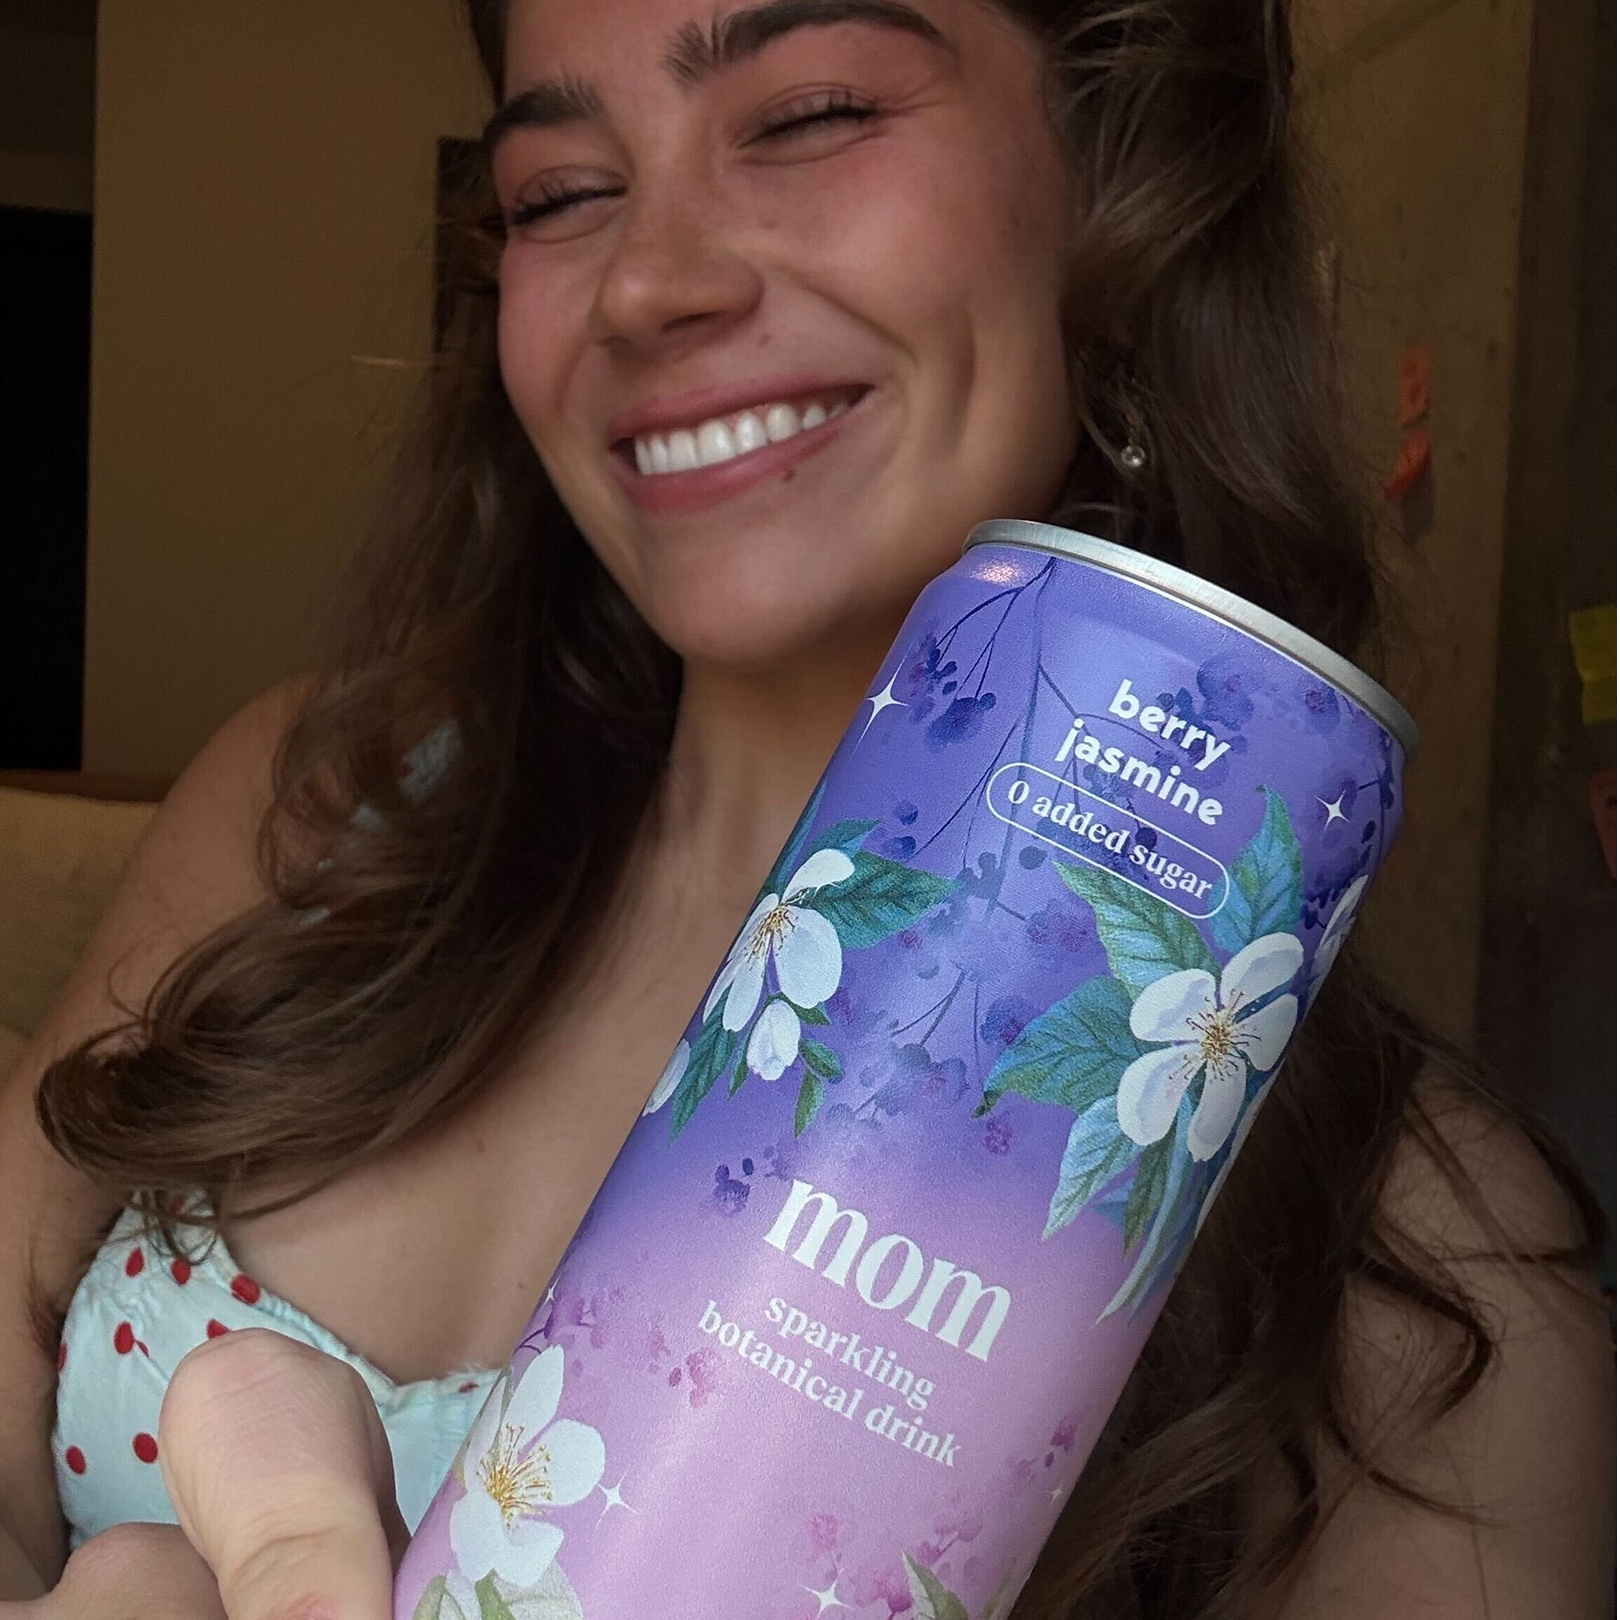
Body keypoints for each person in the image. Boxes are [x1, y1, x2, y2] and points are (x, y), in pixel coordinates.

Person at [0, 0, 1611, 1615]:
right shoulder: (314, 806)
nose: (644, 282)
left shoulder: (1432, 1280)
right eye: (560, 191)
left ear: (1124, 191)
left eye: (812, 113)